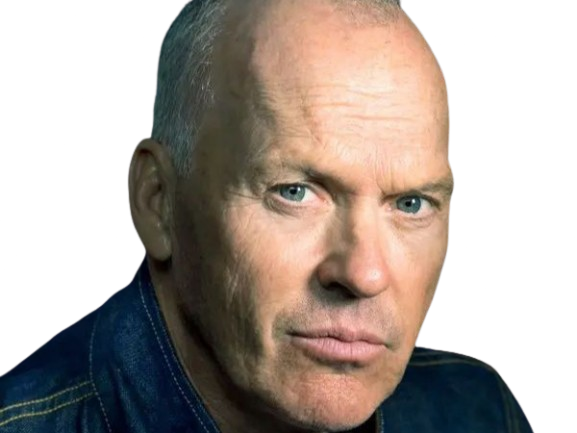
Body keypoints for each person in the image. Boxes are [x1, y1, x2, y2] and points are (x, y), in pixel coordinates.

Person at [0, 0, 533, 432]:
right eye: (295, 192)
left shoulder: (482, 410)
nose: (365, 273)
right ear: (157, 199)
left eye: (411, 204)